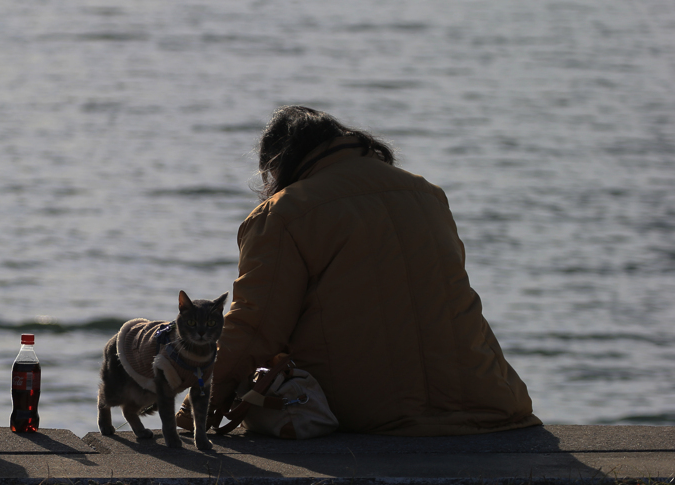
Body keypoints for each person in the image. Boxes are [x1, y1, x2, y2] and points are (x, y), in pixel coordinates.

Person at [207, 106, 541, 436]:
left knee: (255, 385)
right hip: (491, 399)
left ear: (277, 164)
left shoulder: (283, 213)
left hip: (371, 413)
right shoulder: (426, 194)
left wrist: (197, 404)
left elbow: (257, 327)